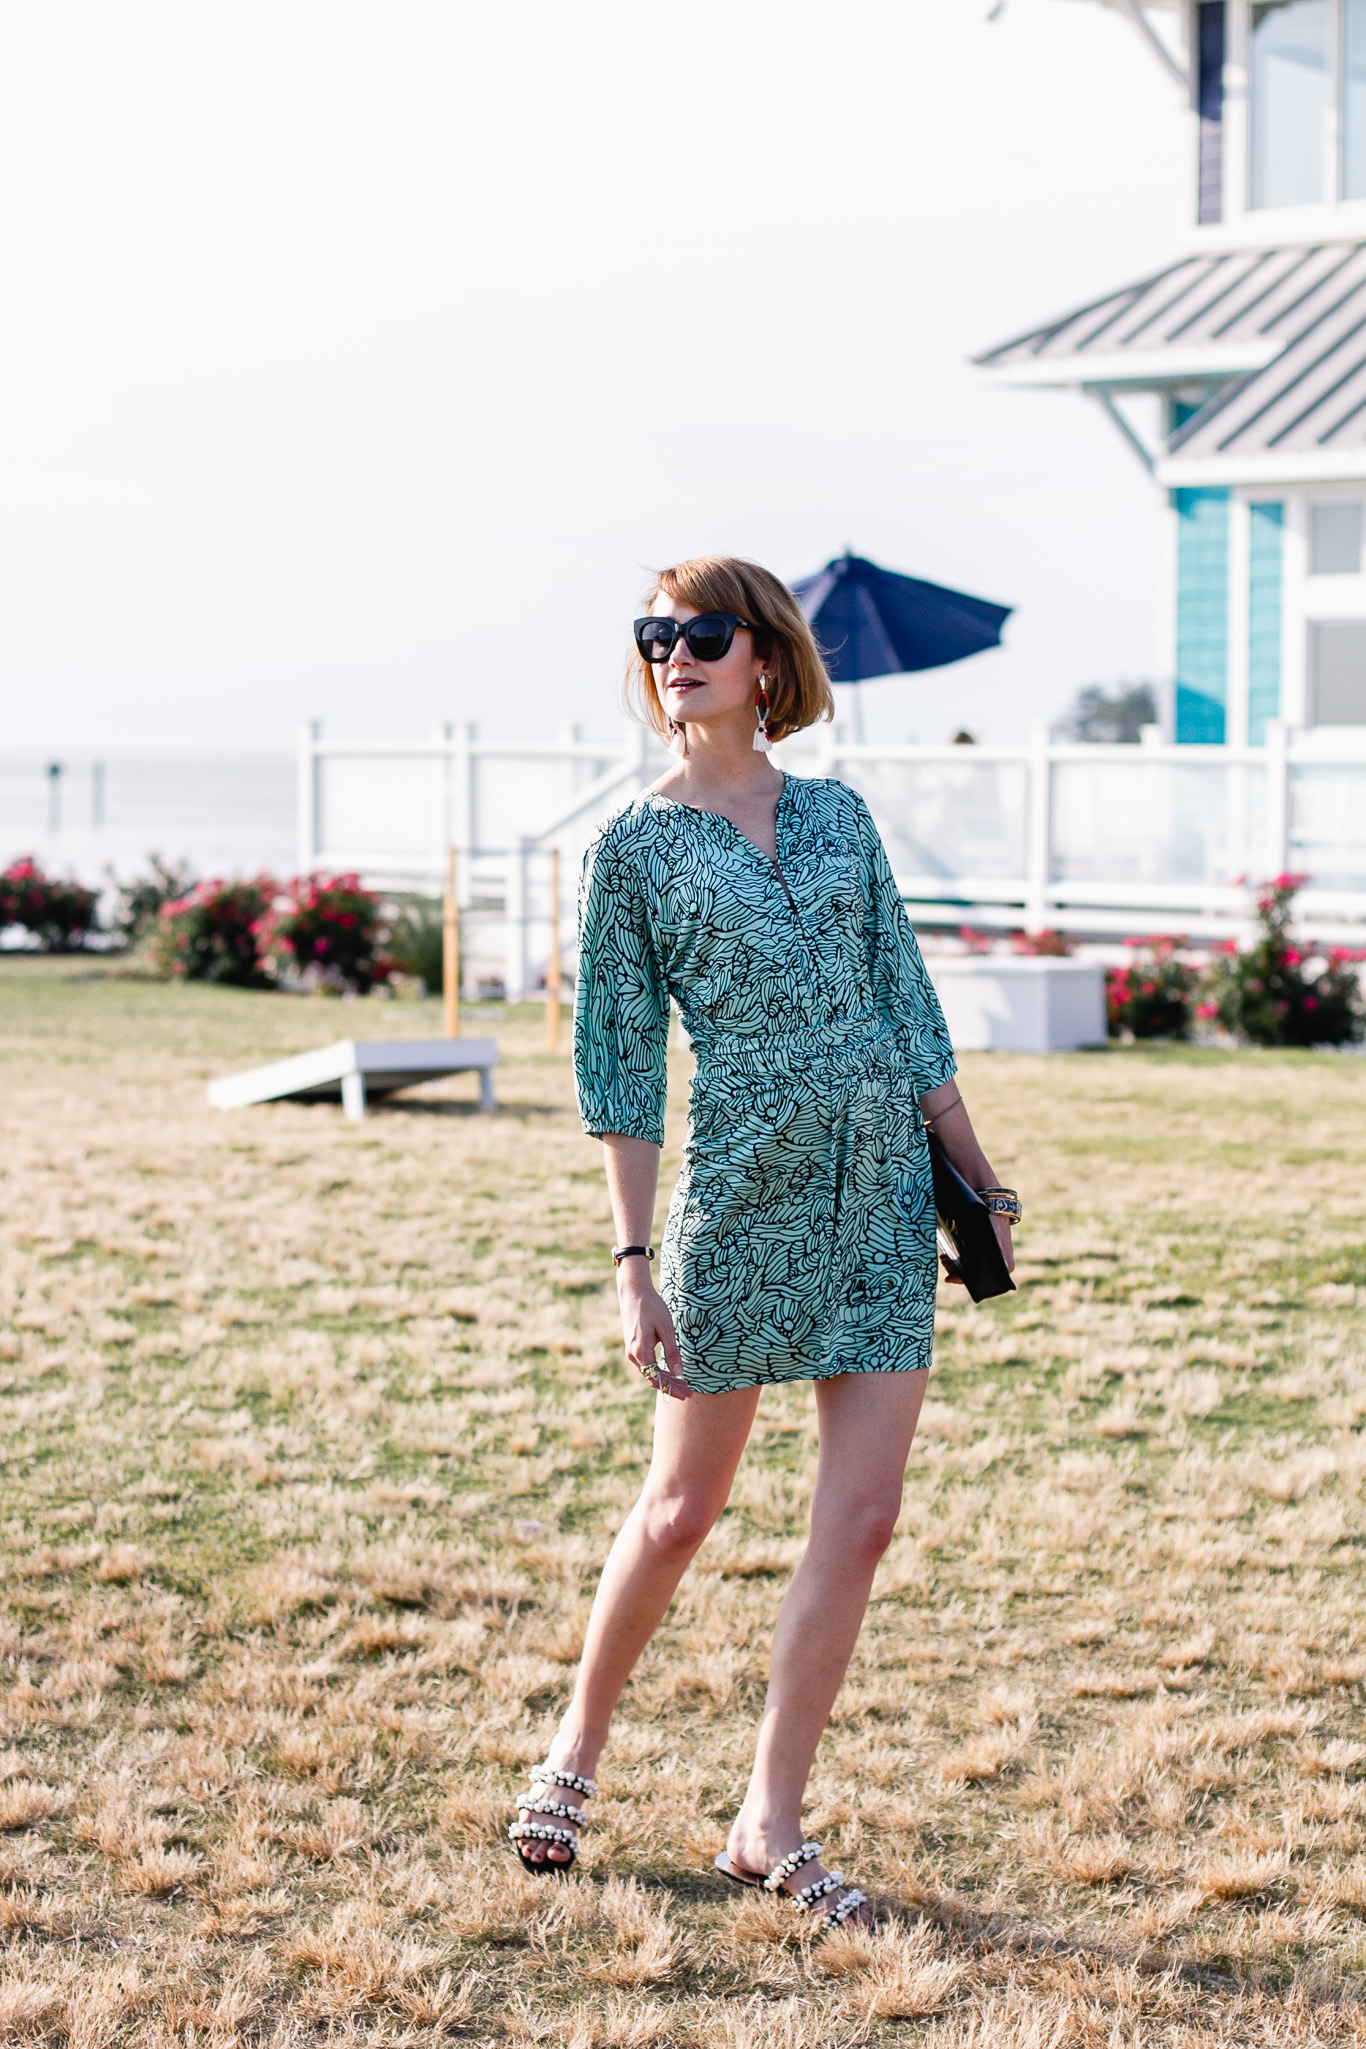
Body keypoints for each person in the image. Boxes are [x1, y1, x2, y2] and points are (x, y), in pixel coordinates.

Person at [509, 556, 1018, 1931]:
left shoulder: (842, 817)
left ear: (764, 659)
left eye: (704, 633)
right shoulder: (634, 848)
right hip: (738, 1187)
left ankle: (768, 1821)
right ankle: (573, 1751)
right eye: (655, 636)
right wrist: (631, 1263)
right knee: (681, 1510)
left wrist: (973, 1176)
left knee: (861, 1518)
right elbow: (617, 1065)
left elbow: (908, 1010)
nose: (675, 653)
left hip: (876, 1192)